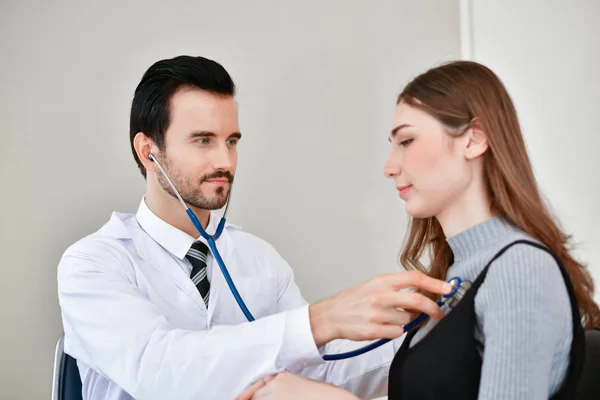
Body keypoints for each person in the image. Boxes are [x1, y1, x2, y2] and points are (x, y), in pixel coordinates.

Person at [56, 55, 453, 400]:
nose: (225, 161)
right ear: (149, 151)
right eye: (203, 141)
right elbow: (158, 371)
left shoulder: (259, 259)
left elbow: (320, 370)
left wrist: (426, 336)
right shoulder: (93, 264)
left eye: (231, 141)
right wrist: (319, 320)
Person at [236, 60, 600, 400]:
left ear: (474, 140)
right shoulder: (456, 276)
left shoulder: (519, 269)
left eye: (407, 141)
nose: (390, 167)